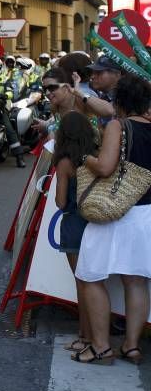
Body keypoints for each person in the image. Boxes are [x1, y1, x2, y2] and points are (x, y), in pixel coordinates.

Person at [73, 75, 151, 365]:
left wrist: (87, 159)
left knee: (90, 275)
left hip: (115, 211)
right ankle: (131, 346)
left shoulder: (119, 125)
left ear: (118, 102)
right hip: (146, 214)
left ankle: (101, 347)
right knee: (136, 281)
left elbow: (105, 167)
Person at [51, 111, 97, 353]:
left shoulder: (65, 162)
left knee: (82, 285)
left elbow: (60, 202)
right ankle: (94, 336)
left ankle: (85, 337)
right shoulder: (95, 157)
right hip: (98, 223)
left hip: (74, 225)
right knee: (96, 284)